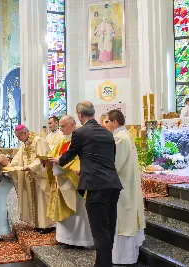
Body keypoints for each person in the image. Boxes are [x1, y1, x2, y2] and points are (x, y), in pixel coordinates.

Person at [51, 101, 123, 267]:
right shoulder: (107, 134)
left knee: (99, 231)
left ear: (80, 115)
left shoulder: (80, 133)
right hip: (113, 185)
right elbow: (111, 159)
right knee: (109, 228)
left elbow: (68, 156)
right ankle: (103, 263)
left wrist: (58, 160)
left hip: (96, 186)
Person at [104, 110, 146, 265]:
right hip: (125, 183)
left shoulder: (120, 139)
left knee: (122, 219)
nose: (104, 124)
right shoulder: (124, 136)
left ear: (115, 122)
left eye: (107, 121)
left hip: (121, 186)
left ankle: (123, 257)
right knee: (124, 218)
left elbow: (114, 165)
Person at [46, 115, 94, 248]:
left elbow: (79, 160)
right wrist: (49, 161)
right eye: (60, 126)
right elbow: (54, 156)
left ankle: (79, 241)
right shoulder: (62, 142)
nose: (60, 129)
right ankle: (66, 239)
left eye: (63, 126)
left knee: (78, 211)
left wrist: (61, 164)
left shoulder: (80, 140)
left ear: (72, 125)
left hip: (74, 183)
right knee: (65, 212)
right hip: (62, 181)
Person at [7, 125, 54, 234]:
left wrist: (31, 166)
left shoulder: (38, 141)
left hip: (40, 177)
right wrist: (9, 167)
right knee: (34, 200)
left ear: (24, 133)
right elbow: (17, 159)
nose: (18, 139)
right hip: (30, 177)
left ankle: (47, 225)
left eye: (18, 137)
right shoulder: (24, 144)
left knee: (42, 200)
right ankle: (37, 223)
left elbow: (43, 158)